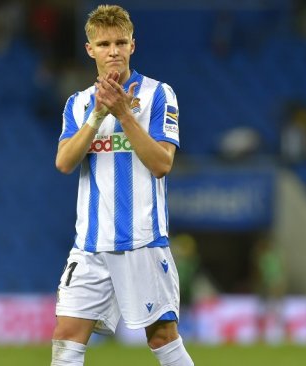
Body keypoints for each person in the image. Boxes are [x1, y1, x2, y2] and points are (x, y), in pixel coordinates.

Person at [52, 5, 193, 366]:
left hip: (142, 241)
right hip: (90, 245)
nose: (112, 50)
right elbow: (64, 163)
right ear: (90, 50)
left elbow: (162, 164)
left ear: (133, 45)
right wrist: (99, 114)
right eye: (103, 43)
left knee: (162, 337)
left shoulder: (160, 94)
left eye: (120, 42)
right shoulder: (79, 103)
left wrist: (124, 114)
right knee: (66, 336)